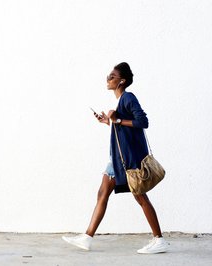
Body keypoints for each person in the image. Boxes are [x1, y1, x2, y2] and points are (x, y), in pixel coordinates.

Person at [62, 62, 169, 254]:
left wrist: (117, 120)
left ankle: (159, 239)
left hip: (128, 161)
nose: (108, 79)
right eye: (108, 76)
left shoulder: (128, 97)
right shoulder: (121, 102)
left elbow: (143, 121)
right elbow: (123, 128)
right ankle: (87, 237)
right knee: (103, 192)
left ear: (122, 81)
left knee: (141, 197)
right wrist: (109, 122)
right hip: (118, 159)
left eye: (112, 76)